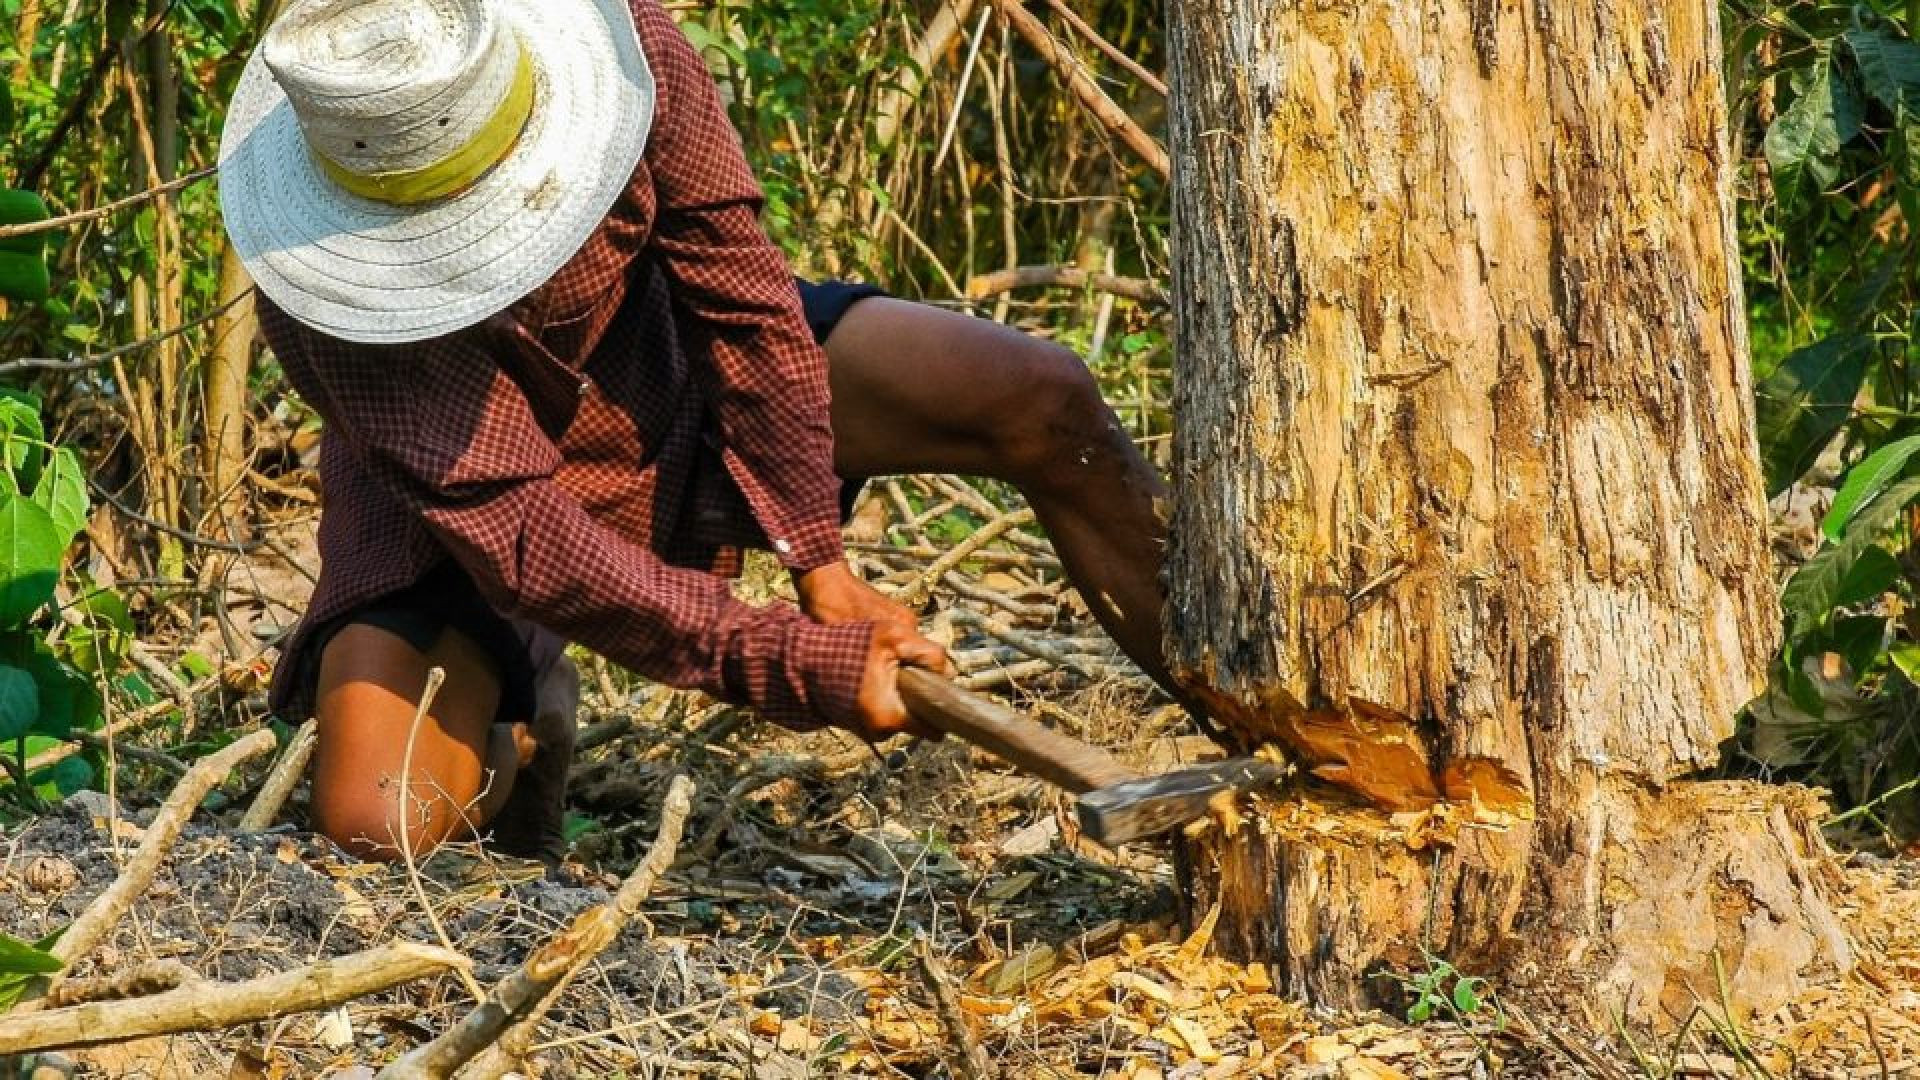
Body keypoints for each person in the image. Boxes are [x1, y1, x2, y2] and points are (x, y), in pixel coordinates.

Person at [221, 0, 1181, 861]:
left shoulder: (627, 53)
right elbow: (520, 537)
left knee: (1038, 394)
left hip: (671, 375)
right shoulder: (322, 306)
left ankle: (1254, 706)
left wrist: (821, 566)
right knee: (375, 815)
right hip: (470, 506)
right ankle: (522, 696)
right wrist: (793, 662)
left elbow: (748, 309)